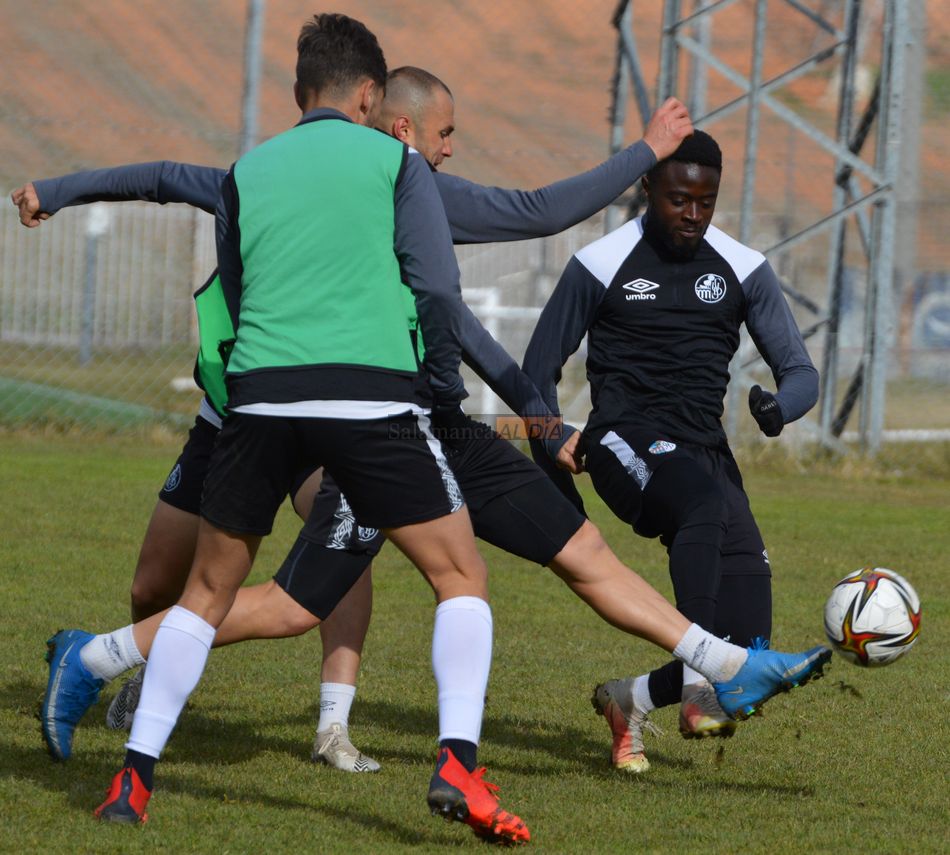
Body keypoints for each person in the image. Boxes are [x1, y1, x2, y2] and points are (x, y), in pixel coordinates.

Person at [16, 69, 694, 771]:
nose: (451, 149)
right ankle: (119, 664)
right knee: (156, 582)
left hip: (339, 415)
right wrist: (57, 192)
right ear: (400, 125)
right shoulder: (283, 174)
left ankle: (332, 721)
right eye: (446, 134)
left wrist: (535, 416)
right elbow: (164, 176)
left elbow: (468, 307)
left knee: (330, 552)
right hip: (235, 414)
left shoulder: (408, 187)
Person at [521, 129, 821, 774]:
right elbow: (536, 371)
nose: (692, 215)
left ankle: (629, 699)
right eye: (678, 199)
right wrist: (552, 442)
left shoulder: (742, 268)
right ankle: (694, 684)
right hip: (624, 438)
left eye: (705, 202)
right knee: (702, 505)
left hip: (705, 451)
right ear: (647, 188)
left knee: (751, 639)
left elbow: (802, 372)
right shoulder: (600, 263)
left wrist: (779, 407)